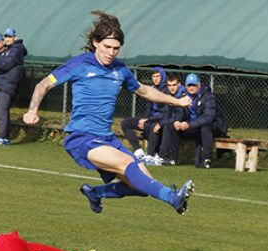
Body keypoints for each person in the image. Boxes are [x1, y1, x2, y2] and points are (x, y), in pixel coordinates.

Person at [23, 11, 194, 215]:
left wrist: (177, 101)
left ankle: (96, 193)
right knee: (127, 164)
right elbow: (43, 85)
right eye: (107, 47)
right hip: (81, 137)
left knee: (142, 185)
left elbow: (144, 90)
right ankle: (172, 198)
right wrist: (32, 111)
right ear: (96, 42)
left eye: (116, 48)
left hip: (108, 138)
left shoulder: (120, 70)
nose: (111, 53)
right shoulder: (80, 64)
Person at [163, 73, 228, 168]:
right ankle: (173, 159)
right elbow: (180, 111)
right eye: (189, 85)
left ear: (199, 85)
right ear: (186, 86)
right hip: (194, 127)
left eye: (194, 85)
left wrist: (189, 125)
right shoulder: (184, 96)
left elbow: (208, 118)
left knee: (205, 127)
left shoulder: (208, 96)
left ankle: (207, 160)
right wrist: (177, 121)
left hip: (214, 127)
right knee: (171, 126)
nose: (191, 87)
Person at [121, 67, 168, 165]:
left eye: (158, 76)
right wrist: (143, 119)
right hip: (150, 118)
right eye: (153, 76)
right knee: (125, 123)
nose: (155, 79)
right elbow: (148, 108)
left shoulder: (166, 90)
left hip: (160, 119)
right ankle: (139, 151)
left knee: (150, 125)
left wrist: (147, 120)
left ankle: (150, 155)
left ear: (163, 76)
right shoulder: (152, 88)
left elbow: (165, 112)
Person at [0, 27, 28, 146]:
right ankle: (5, 137)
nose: (7, 38)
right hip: (4, 83)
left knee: (2, 111)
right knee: (3, 111)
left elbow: (4, 64)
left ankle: (1, 137)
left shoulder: (15, 50)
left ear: (15, 37)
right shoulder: (11, 49)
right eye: (5, 36)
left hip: (7, 84)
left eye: (9, 36)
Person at [154, 73, 188, 165]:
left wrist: (162, 123)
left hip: (188, 124)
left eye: (174, 85)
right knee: (153, 125)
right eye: (169, 85)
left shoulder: (183, 95)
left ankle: (163, 156)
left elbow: (180, 115)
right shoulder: (170, 95)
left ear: (179, 84)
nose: (171, 88)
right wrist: (159, 122)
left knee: (168, 126)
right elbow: (167, 113)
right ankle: (152, 154)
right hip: (176, 123)